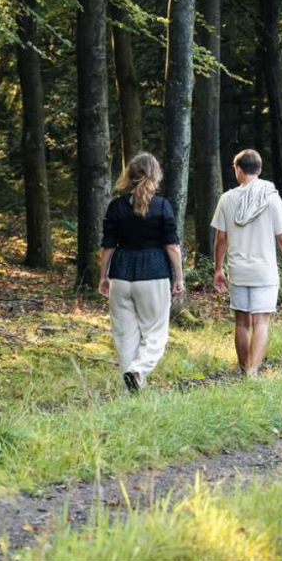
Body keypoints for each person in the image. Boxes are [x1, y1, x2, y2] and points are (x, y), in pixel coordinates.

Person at [99, 152, 185, 392]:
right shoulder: (162, 206)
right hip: (154, 274)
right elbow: (172, 247)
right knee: (155, 334)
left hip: (121, 276)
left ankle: (131, 389)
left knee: (125, 335)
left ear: (129, 176)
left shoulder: (116, 206)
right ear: (156, 174)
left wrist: (103, 276)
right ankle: (138, 371)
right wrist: (179, 277)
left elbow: (107, 246)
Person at [211, 149, 282, 376]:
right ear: (258, 170)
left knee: (241, 322)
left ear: (238, 170)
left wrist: (218, 269)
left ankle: (243, 370)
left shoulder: (226, 199)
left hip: (238, 270)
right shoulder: (271, 197)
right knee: (261, 322)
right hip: (264, 271)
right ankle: (252, 372)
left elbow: (221, 239)